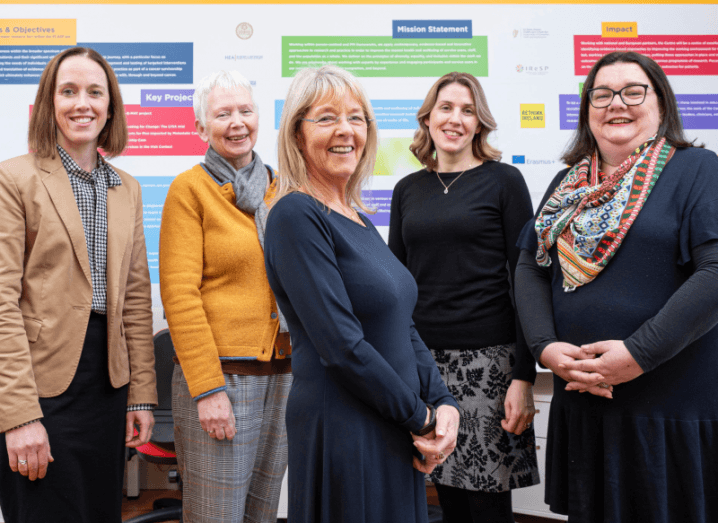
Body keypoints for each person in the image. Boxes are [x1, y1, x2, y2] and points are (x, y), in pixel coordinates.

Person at [515, 51, 718, 522]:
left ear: (661, 104)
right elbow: (530, 265)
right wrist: (546, 348)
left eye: (633, 91)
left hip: (667, 407)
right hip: (587, 403)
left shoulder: (697, 170)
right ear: (587, 110)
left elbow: (714, 272)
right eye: (601, 94)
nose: (616, 104)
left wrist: (638, 354)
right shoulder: (567, 184)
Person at [263, 65, 461, 523]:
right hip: (345, 426)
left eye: (356, 118)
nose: (345, 130)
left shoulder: (359, 218)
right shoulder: (295, 215)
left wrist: (444, 402)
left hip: (393, 421)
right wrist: (423, 419)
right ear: (297, 134)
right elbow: (341, 346)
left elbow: (402, 324)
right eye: (327, 118)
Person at [0, 47, 157, 523]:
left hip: (107, 387)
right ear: (49, 102)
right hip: (41, 385)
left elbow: (134, 298)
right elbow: (2, 302)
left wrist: (142, 393)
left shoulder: (125, 187)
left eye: (95, 92)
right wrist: (20, 415)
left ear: (111, 106)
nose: (81, 103)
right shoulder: (15, 179)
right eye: (68, 91)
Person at [389, 72, 540, 523]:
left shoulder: (504, 181)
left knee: (486, 504)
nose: (455, 118)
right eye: (446, 107)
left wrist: (524, 376)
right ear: (428, 118)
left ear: (480, 124)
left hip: (489, 364)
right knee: (442, 497)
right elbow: (396, 284)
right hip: (421, 363)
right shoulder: (407, 190)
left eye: (467, 110)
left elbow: (527, 281)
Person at [159, 70, 292, 523]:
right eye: (222, 114)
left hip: (285, 372)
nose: (237, 122)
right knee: (216, 516)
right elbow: (179, 294)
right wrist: (208, 388)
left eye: (245, 111)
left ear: (259, 118)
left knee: (262, 512)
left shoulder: (282, 187)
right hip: (222, 379)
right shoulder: (189, 189)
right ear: (201, 128)